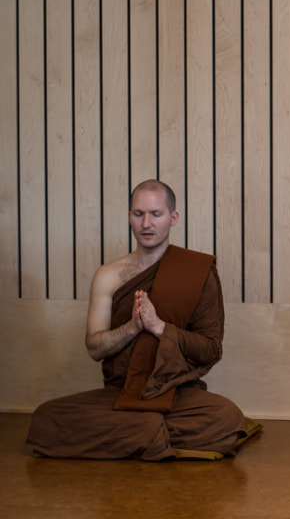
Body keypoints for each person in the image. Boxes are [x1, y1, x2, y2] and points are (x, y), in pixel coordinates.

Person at [26, 180, 256, 460]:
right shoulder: (108, 275)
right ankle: (151, 431)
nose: (146, 223)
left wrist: (159, 327)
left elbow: (210, 349)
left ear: (173, 218)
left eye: (156, 214)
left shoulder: (197, 271)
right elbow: (95, 348)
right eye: (138, 214)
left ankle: (136, 433)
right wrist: (132, 328)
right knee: (46, 418)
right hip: (120, 394)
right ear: (129, 217)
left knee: (227, 418)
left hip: (177, 394)